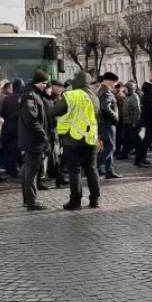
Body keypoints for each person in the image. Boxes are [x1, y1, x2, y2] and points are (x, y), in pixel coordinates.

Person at [51, 72, 101, 210]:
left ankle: (75, 201)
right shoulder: (95, 97)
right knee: (92, 169)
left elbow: (54, 111)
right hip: (91, 139)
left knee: (75, 172)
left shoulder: (71, 95)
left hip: (72, 139)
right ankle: (95, 200)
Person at [19, 70, 51, 210]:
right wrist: (43, 136)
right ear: (38, 82)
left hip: (32, 139)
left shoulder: (32, 93)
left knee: (28, 170)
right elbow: (32, 119)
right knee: (31, 171)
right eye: (44, 83)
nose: (45, 85)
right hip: (33, 140)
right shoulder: (30, 95)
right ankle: (31, 201)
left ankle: (28, 200)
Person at [135, 70, 152, 167]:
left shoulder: (149, 87)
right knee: (151, 140)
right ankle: (140, 160)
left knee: (151, 139)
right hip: (151, 118)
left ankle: (142, 158)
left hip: (148, 117)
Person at [97, 72, 121, 179]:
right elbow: (105, 108)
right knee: (110, 147)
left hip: (104, 123)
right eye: (115, 83)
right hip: (107, 123)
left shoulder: (102, 90)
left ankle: (109, 170)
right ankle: (95, 165)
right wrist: (115, 117)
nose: (115, 85)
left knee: (108, 146)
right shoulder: (106, 92)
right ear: (111, 82)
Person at [0, 78, 24, 177]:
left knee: (9, 151)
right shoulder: (24, 98)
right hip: (19, 129)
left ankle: (11, 170)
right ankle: (22, 167)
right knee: (18, 150)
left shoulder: (7, 98)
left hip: (8, 128)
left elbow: (2, 113)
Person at [119, 81, 141, 159]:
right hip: (126, 121)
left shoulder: (134, 96)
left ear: (130, 89)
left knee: (135, 139)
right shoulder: (128, 96)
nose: (124, 90)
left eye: (126, 88)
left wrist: (135, 122)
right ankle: (124, 154)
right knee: (126, 139)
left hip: (131, 122)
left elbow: (137, 110)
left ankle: (140, 155)